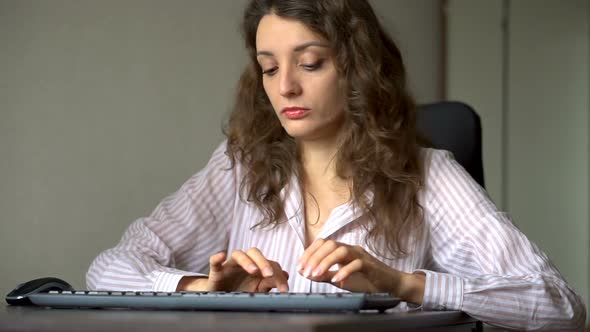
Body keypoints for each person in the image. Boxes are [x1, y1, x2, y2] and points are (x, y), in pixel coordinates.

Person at [86, 0, 586, 330]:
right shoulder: (238, 168)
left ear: (357, 67)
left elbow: (561, 308)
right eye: (269, 68)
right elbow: (107, 269)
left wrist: (399, 283)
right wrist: (201, 288)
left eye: (309, 63)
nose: (285, 88)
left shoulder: (429, 174)